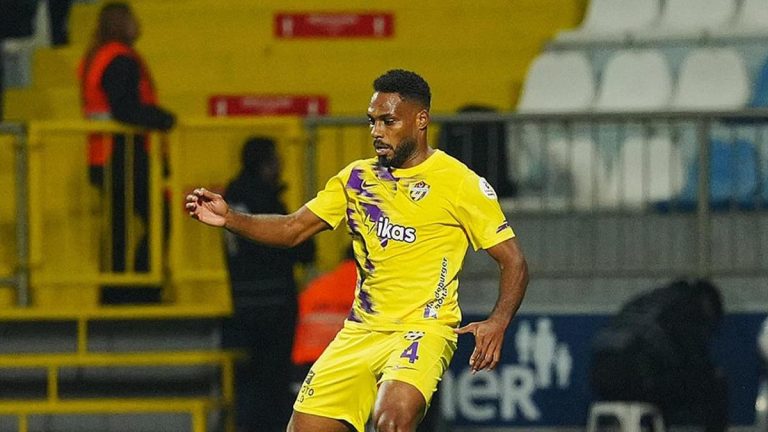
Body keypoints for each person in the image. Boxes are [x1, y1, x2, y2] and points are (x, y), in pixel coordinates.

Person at [186, 69, 529, 432]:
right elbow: (292, 229)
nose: (377, 131)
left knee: (391, 421)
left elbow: (514, 261)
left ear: (421, 120)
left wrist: (498, 321)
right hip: (361, 332)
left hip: (422, 330)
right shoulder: (357, 179)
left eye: (388, 121)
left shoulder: (460, 183)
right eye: (372, 121)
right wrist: (231, 219)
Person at [79, 2, 175, 302]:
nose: (137, 25)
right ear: (121, 23)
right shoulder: (119, 59)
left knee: (120, 225)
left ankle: (116, 289)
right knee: (158, 218)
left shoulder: (98, 56)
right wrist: (163, 119)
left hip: (103, 153)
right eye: (132, 19)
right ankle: (139, 289)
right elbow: (125, 108)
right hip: (122, 154)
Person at [223, 136, 315, 432]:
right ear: (264, 164)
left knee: (250, 382)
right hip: (274, 304)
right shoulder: (265, 200)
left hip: (243, 303)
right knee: (273, 383)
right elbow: (297, 247)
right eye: (276, 160)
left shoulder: (231, 201)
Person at [589, 278, 727, 432]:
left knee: (665, 381)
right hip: (634, 376)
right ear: (708, 305)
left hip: (600, 379)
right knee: (713, 384)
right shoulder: (687, 307)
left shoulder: (649, 299)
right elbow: (695, 360)